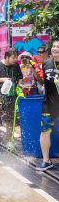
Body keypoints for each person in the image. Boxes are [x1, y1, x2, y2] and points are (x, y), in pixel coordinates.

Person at [0, 48, 23, 149]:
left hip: (11, 95)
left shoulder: (16, 66)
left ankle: (9, 140)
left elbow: (20, 77)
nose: (15, 60)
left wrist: (19, 85)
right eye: (13, 58)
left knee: (9, 119)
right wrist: (3, 79)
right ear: (7, 57)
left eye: (16, 57)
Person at [36, 39, 59, 171]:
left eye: (58, 47)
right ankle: (46, 160)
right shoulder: (46, 63)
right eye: (54, 46)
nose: (55, 48)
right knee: (45, 131)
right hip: (49, 104)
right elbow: (44, 83)